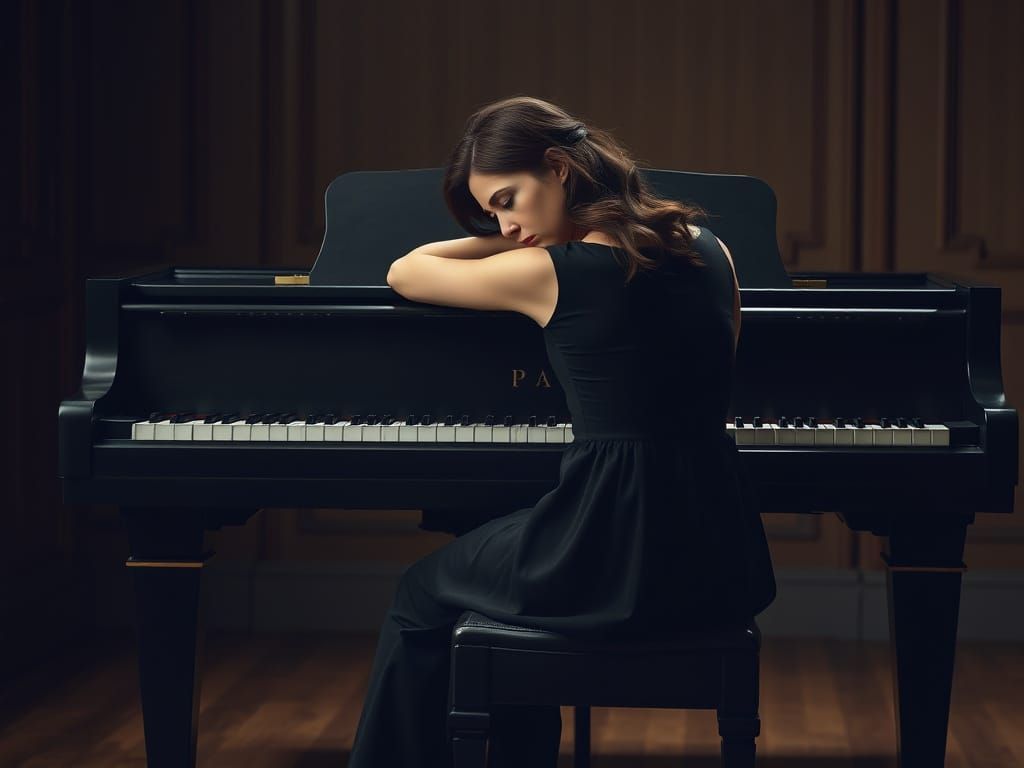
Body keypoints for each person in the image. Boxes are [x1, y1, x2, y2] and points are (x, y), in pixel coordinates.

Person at [347, 95, 776, 768]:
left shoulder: (552, 273)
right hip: (717, 550)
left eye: (508, 200)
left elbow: (407, 271)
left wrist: (514, 244)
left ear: (558, 167)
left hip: (606, 547)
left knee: (420, 591)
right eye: (493, 216)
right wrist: (540, 228)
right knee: (509, 560)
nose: (508, 225)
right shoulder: (711, 250)